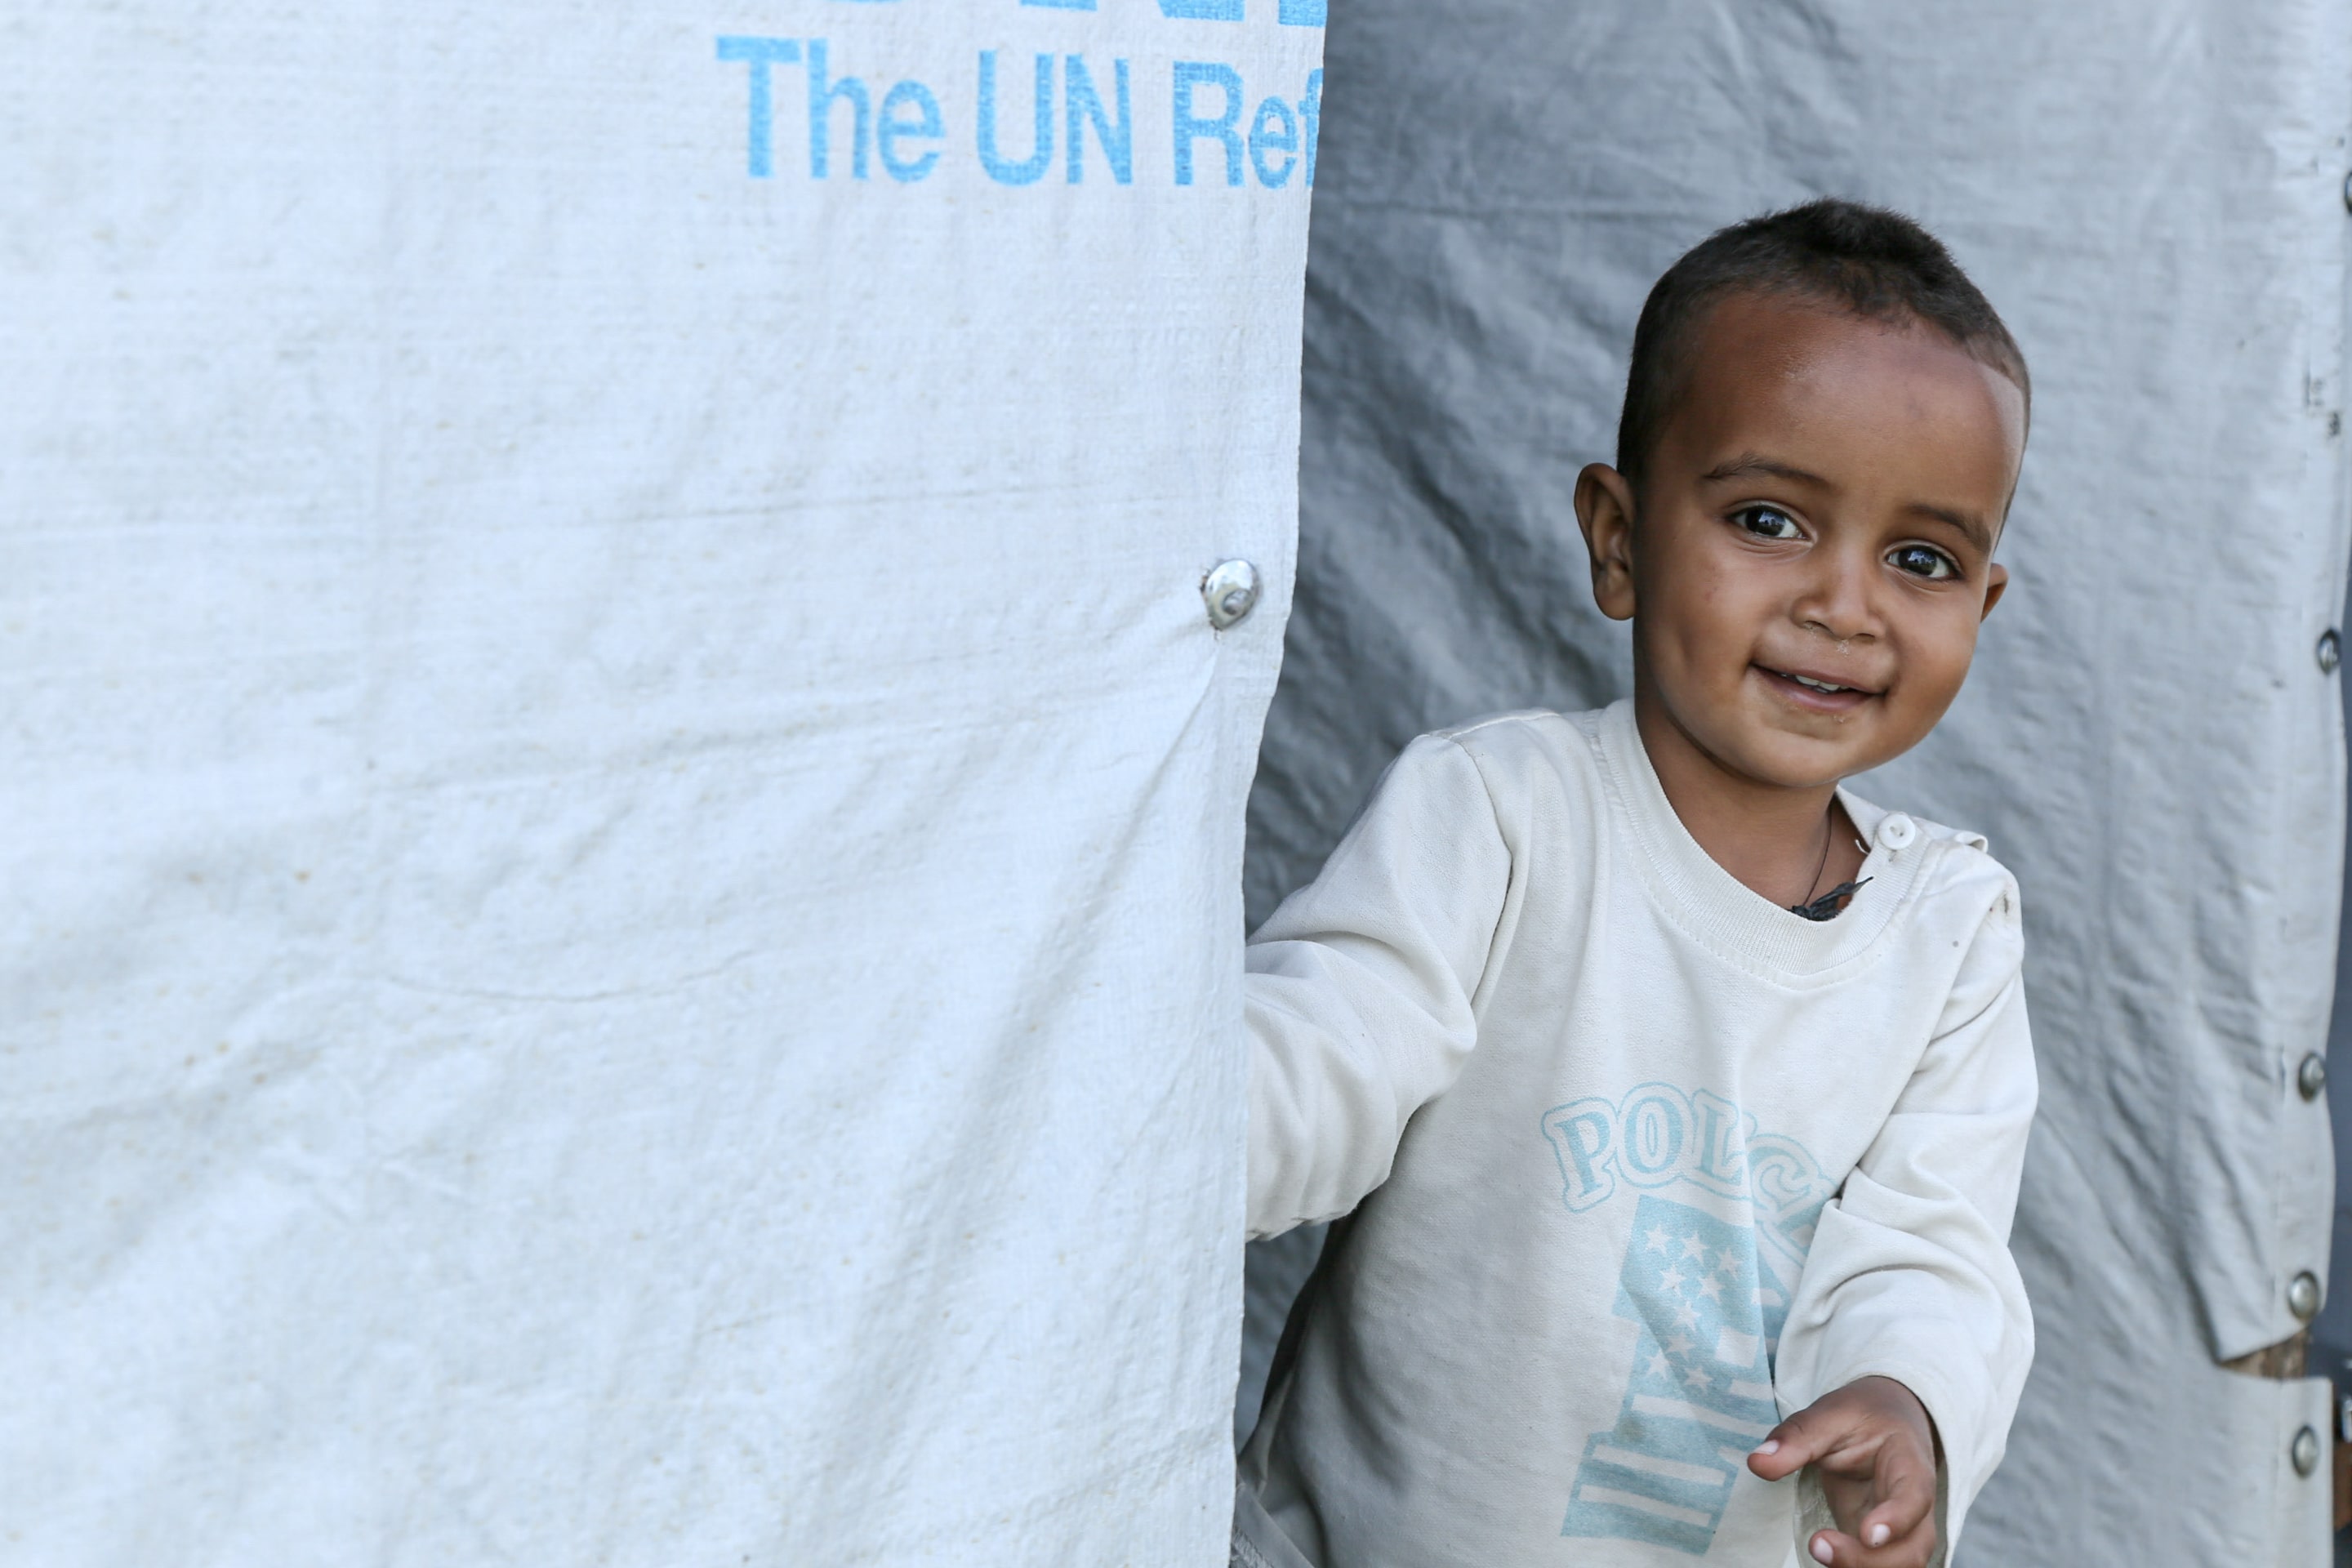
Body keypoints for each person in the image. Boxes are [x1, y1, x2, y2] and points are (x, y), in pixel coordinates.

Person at [1233, 200, 2035, 1568]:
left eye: (1921, 560)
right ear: (1618, 535)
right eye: (1770, 519)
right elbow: (1324, 1051)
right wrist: (1162, 1126)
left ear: (1982, 606)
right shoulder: (1500, 816)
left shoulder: (1949, 932)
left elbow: (1931, 1253)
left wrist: (1908, 1402)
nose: (1845, 604)